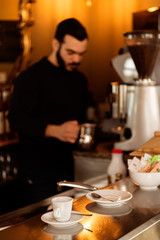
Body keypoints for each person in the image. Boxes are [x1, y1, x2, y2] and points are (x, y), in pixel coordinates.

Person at [8, 18, 89, 206]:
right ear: (55, 44)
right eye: (70, 52)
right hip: (36, 173)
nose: (76, 59)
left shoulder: (80, 80)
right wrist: (56, 131)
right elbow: (16, 120)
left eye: (81, 54)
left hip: (68, 169)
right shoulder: (30, 78)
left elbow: (81, 119)